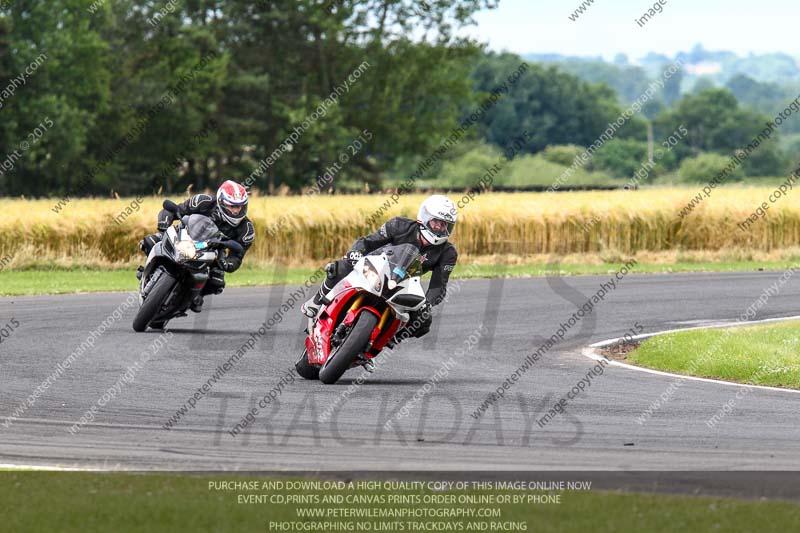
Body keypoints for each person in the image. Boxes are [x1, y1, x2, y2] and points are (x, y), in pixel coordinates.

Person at [301, 194, 458, 343]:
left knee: (423, 321)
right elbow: (368, 242)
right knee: (340, 267)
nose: (439, 227)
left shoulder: (448, 253)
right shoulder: (398, 225)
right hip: (374, 267)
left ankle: (385, 342)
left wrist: (427, 304)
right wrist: (355, 254)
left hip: (403, 284)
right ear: (425, 218)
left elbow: (438, 286)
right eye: (435, 221)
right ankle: (316, 302)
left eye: (444, 224)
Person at [139, 180, 255, 312]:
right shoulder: (203, 201)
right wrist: (164, 223)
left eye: (239, 206)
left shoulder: (246, 229)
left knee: (217, 282)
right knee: (149, 242)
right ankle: (148, 272)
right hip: (184, 235)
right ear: (221, 202)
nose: (236, 211)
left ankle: (195, 296)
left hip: (214, 251)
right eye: (232, 206)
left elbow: (238, 256)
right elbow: (176, 209)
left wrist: (226, 263)